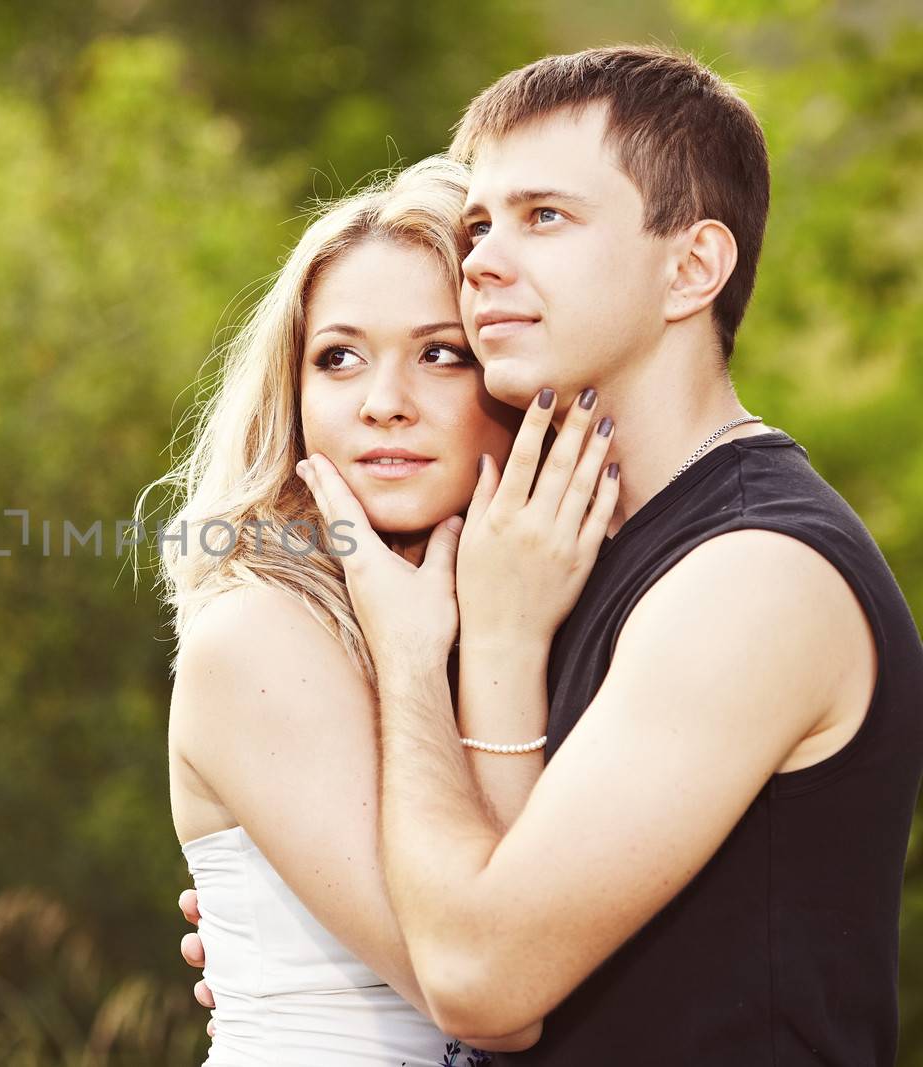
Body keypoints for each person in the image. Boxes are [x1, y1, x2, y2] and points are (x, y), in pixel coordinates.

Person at [187, 44, 923, 1063]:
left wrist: (425, 655)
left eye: (544, 216)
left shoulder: (753, 575)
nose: (484, 256)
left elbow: (481, 979)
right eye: (481, 223)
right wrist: (284, 928)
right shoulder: (555, 557)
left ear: (691, 267)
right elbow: (466, 880)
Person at [150, 155, 620, 1064]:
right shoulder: (255, 637)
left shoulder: (571, 611)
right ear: (293, 396)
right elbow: (496, 995)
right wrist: (439, 655)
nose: (383, 405)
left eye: (441, 354)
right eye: (339, 358)